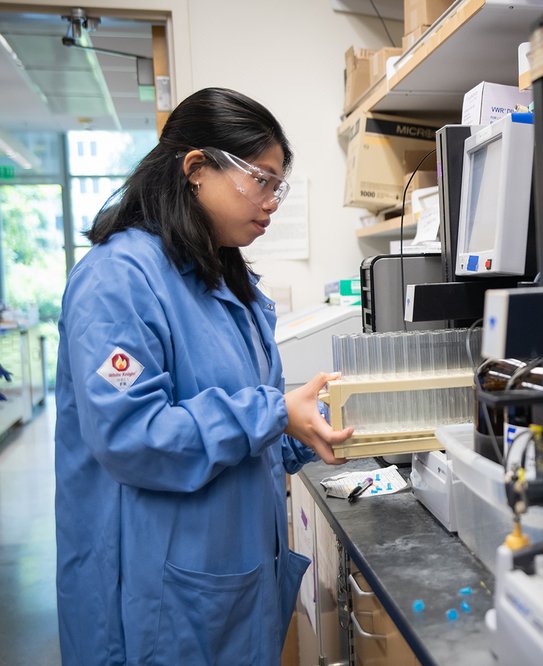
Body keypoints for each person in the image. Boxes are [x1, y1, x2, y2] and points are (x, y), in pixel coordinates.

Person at [54, 87, 353, 665]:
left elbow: (247, 423)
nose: (271, 203)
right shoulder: (118, 280)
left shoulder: (223, 282)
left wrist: (306, 428)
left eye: (278, 186)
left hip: (223, 582)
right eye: (261, 180)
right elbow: (132, 436)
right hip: (153, 596)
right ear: (195, 168)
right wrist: (274, 413)